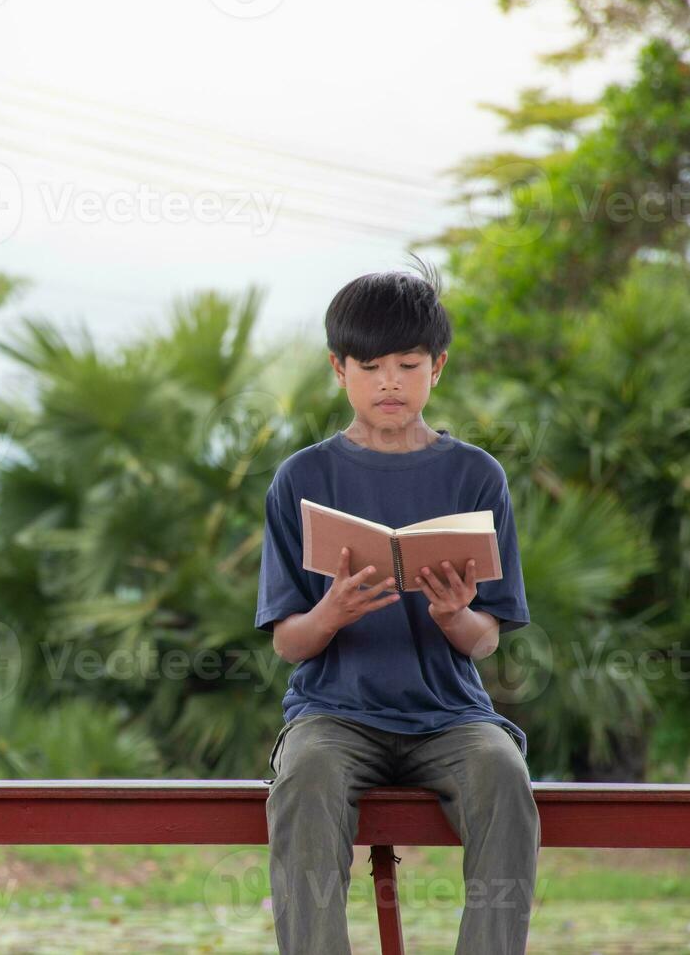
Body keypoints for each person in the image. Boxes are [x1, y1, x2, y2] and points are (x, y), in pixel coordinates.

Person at [255, 254, 540, 953]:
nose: (389, 382)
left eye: (408, 365)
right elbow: (287, 643)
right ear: (337, 368)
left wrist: (451, 616)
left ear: (436, 369)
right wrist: (333, 612)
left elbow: (485, 640)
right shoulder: (302, 476)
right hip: (335, 715)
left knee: (502, 772)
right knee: (305, 774)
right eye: (370, 365)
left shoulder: (475, 475)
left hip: (448, 714)